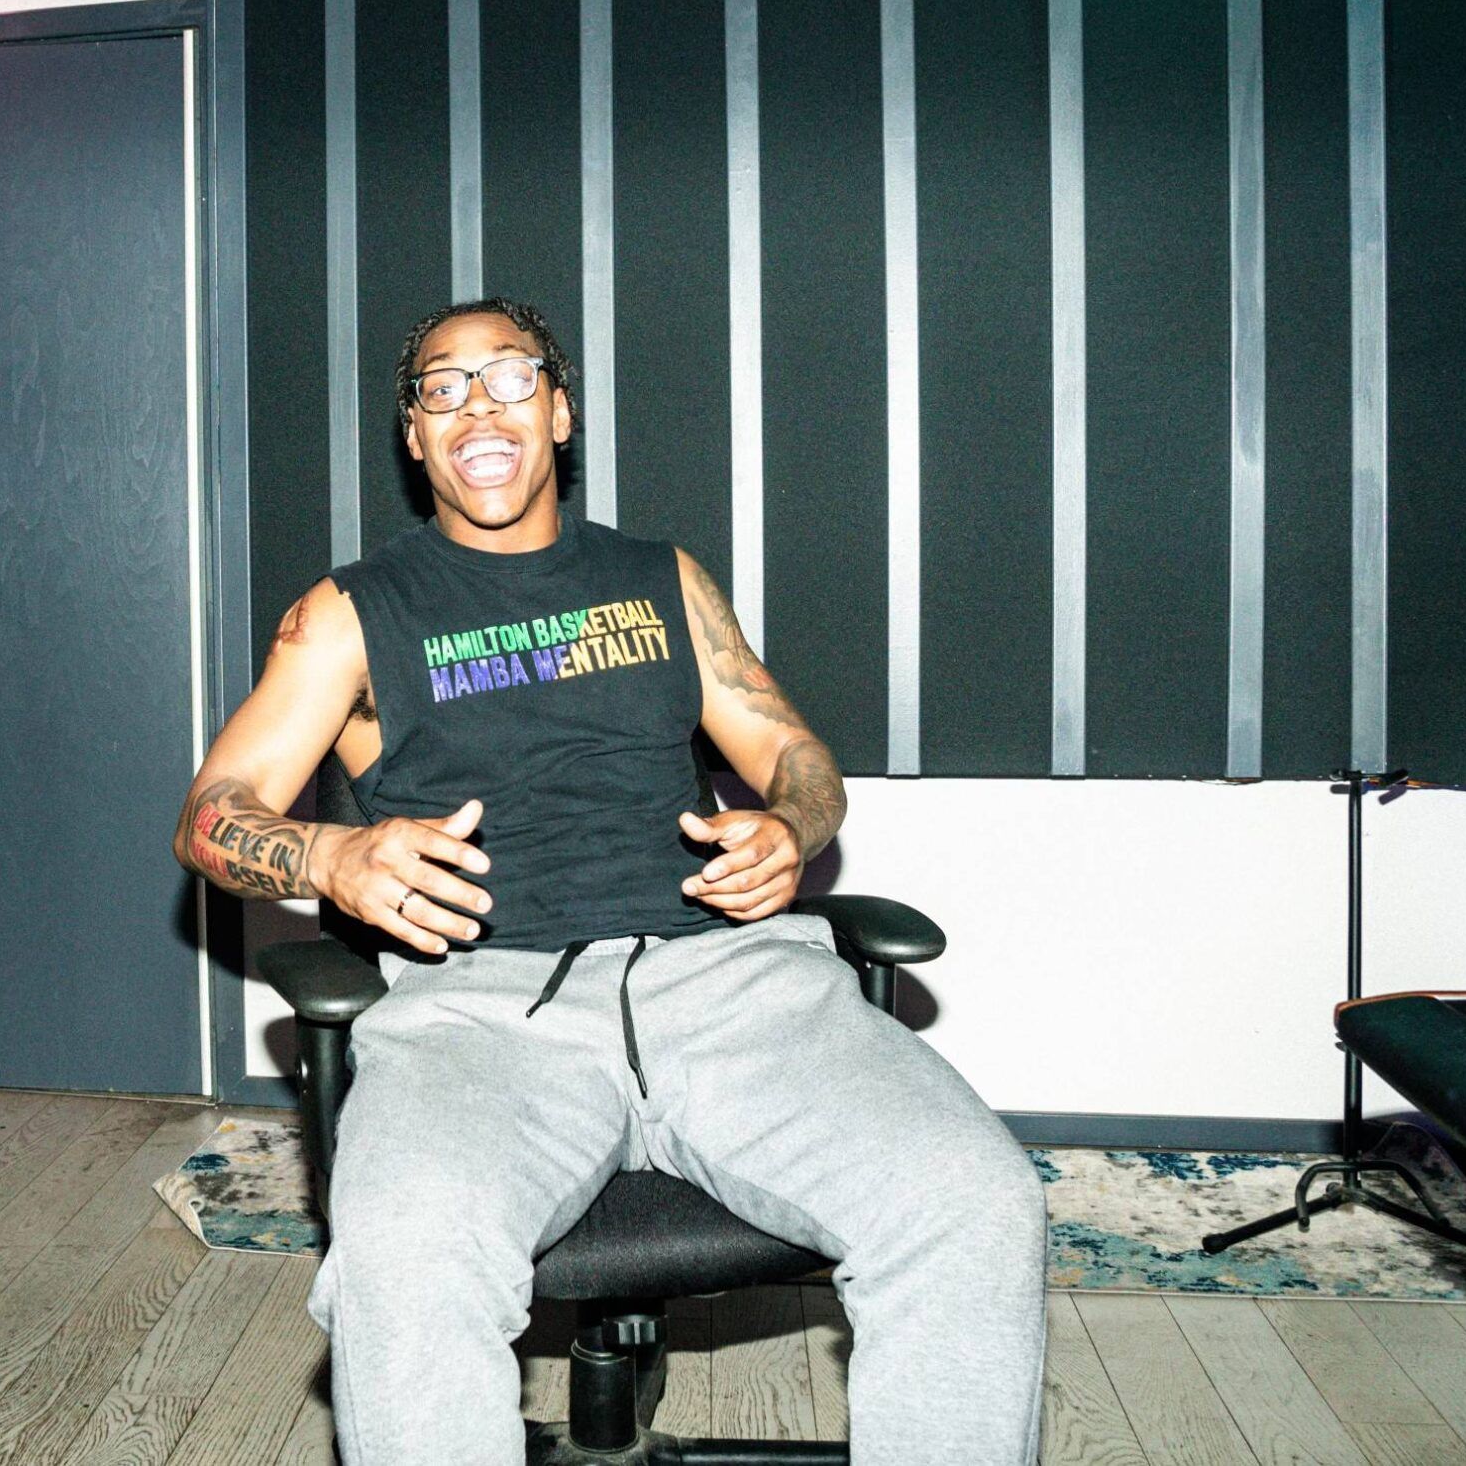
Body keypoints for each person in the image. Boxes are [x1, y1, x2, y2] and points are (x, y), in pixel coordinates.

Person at [171, 297, 1045, 1465]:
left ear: (559, 412)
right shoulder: (347, 617)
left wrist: (789, 824)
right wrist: (331, 854)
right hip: (484, 1008)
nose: (478, 407)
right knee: (403, 1254)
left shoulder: (661, 579)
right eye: (442, 388)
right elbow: (211, 813)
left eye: (510, 377)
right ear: (414, 436)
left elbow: (797, 756)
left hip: (728, 982)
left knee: (973, 1202)